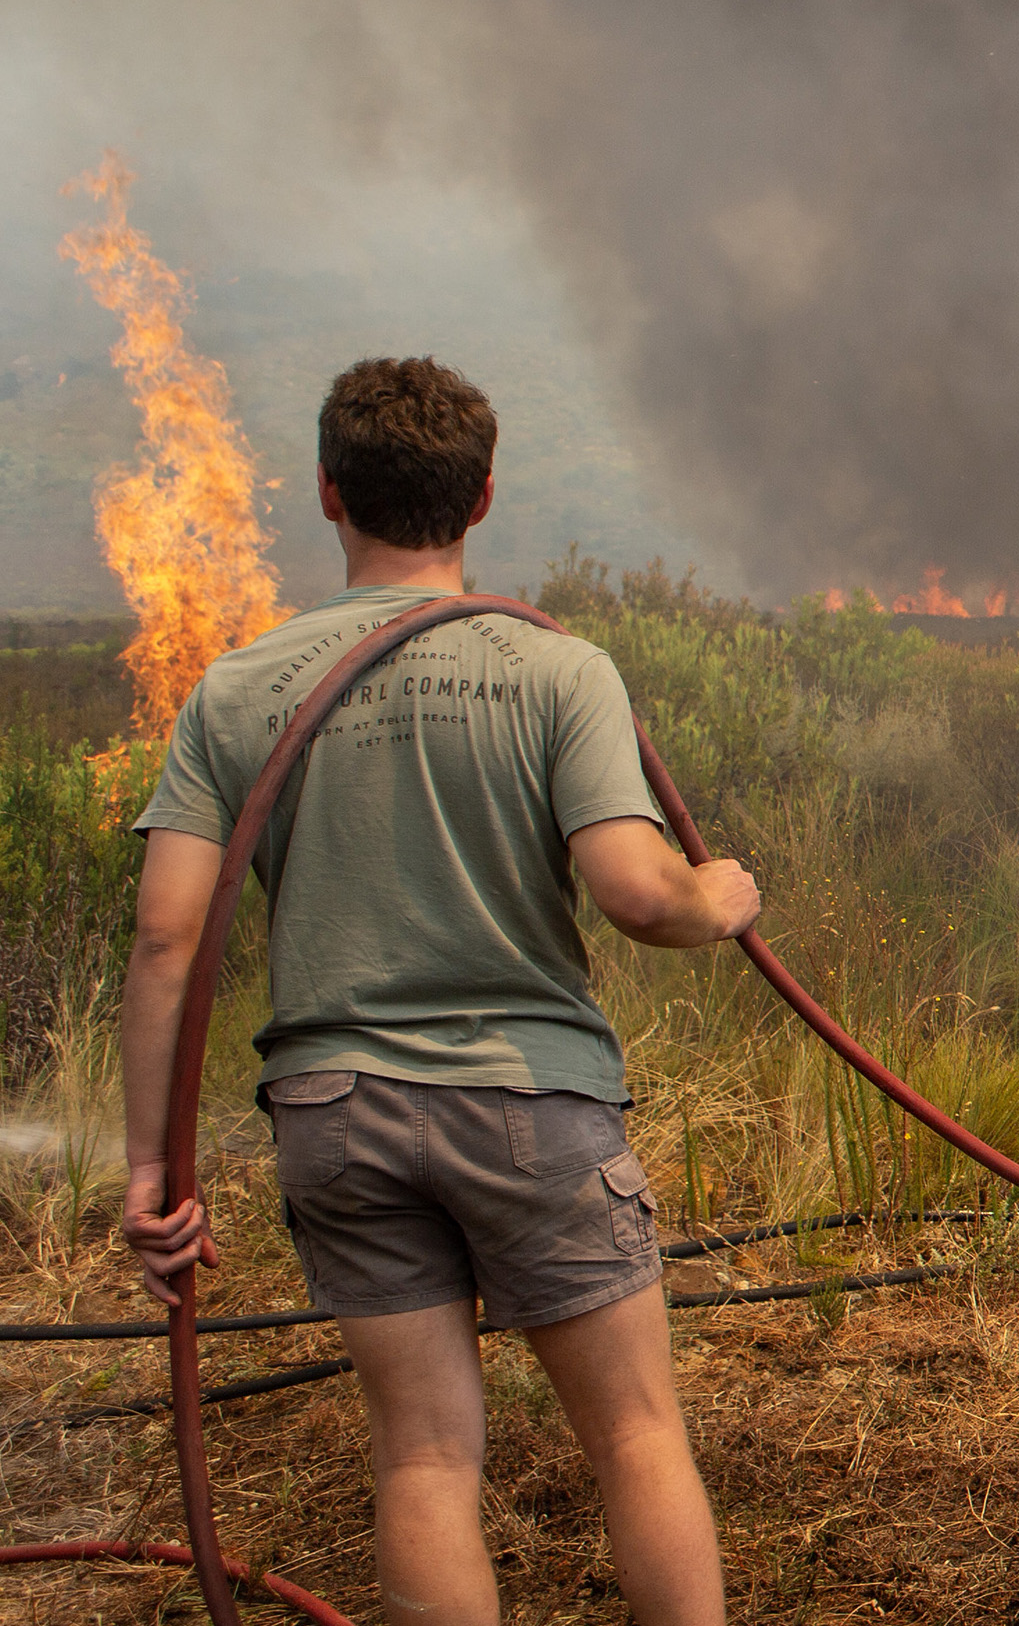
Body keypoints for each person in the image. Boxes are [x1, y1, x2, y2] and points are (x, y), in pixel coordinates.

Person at [118, 358, 753, 1625]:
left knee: (420, 1453)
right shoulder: (554, 667)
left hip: (334, 1113)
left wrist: (152, 1169)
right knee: (633, 1434)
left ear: (327, 493)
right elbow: (638, 892)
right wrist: (718, 897)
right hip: (530, 1102)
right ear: (481, 500)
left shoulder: (236, 688)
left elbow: (166, 939)